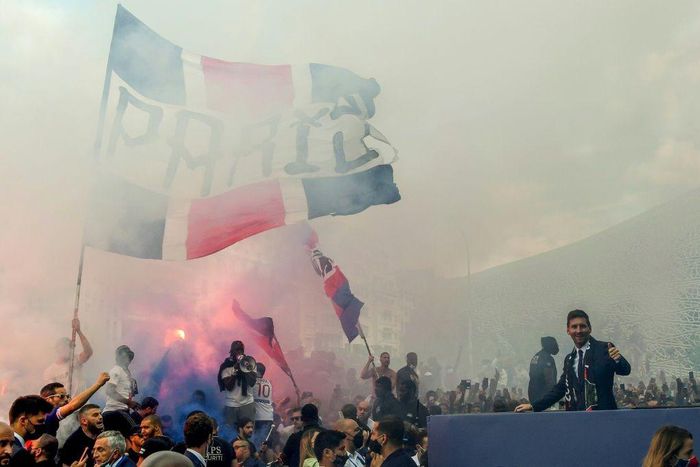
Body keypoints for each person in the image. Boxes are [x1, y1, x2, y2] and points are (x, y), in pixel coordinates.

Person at [515, 309, 631, 412]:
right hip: (578, 421)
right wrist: (534, 406)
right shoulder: (569, 360)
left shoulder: (604, 348)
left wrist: (618, 359)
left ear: (590, 329)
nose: (578, 330)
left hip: (605, 419)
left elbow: (625, 370)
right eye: (574, 327)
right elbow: (560, 389)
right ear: (568, 331)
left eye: (582, 326)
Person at [39, 373, 110, 437]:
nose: (66, 399)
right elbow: (72, 406)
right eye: (61, 396)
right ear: (48, 400)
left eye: (67, 396)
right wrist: (98, 383)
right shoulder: (47, 415)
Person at [43, 319, 93, 391]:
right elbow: (52, 393)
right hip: (67, 402)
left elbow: (88, 352)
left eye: (67, 347)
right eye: (62, 347)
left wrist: (79, 331)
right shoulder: (49, 371)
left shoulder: (75, 360)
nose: (65, 349)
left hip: (83, 401)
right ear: (57, 349)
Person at [217, 341, 256, 430]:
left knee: (248, 431)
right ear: (232, 352)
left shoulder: (250, 363)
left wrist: (245, 367)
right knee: (230, 432)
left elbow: (252, 382)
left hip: (247, 404)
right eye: (237, 350)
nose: (239, 352)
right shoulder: (226, 366)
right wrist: (235, 370)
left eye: (241, 350)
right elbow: (229, 386)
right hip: (231, 405)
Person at [9, 395, 52, 465]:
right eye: (40, 421)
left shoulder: (20, 447)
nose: (43, 425)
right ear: (23, 421)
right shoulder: (16, 453)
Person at [104, 346, 139, 422]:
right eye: (125, 357)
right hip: (114, 412)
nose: (127, 360)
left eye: (129, 358)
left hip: (122, 411)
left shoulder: (125, 373)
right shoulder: (117, 370)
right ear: (119, 358)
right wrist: (129, 402)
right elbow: (109, 391)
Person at [527, 336, 559, 403]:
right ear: (549, 345)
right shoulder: (547, 358)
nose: (557, 346)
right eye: (555, 344)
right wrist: (554, 395)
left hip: (533, 392)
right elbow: (549, 379)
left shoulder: (536, 356)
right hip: (543, 395)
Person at [251, 363, 273, 451]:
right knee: (265, 445)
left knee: (256, 445)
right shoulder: (269, 383)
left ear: (257, 371)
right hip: (268, 417)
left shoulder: (252, 383)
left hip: (258, 418)